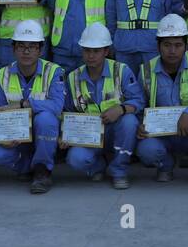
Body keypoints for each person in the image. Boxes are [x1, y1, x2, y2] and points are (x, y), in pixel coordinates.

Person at [134, 14, 188, 188]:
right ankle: (165, 165)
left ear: (186, 45)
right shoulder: (146, 70)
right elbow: (139, 103)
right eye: (167, 45)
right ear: (158, 46)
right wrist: (139, 124)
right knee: (146, 150)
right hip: (161, 134)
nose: (172, 51)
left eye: (178, 45)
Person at [0, 20, 66, 194]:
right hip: (16, 135)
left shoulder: (54, 72)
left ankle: (42, 171)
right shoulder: (3, 74)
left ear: (41, 50)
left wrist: (24, 104)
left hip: (44, 134)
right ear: (13, 49)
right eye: (21, 46)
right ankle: (25, 168)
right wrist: (2, 137)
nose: (26, 51)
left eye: (32, 46)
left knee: (46, 118)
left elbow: (57, 106)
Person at [61, 24, 144, 190]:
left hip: (116, 131)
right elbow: (67, 111)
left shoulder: (122, 71)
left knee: (129, 121)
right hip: (88, 135)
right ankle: (98, 166)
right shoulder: (73, 77)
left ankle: (119, 171)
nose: (91, 56)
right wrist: (64, 134)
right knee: (75, 159)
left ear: (106, 51)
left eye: (96, 51)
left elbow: (139, 100)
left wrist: (120, 109)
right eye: (87, 50)